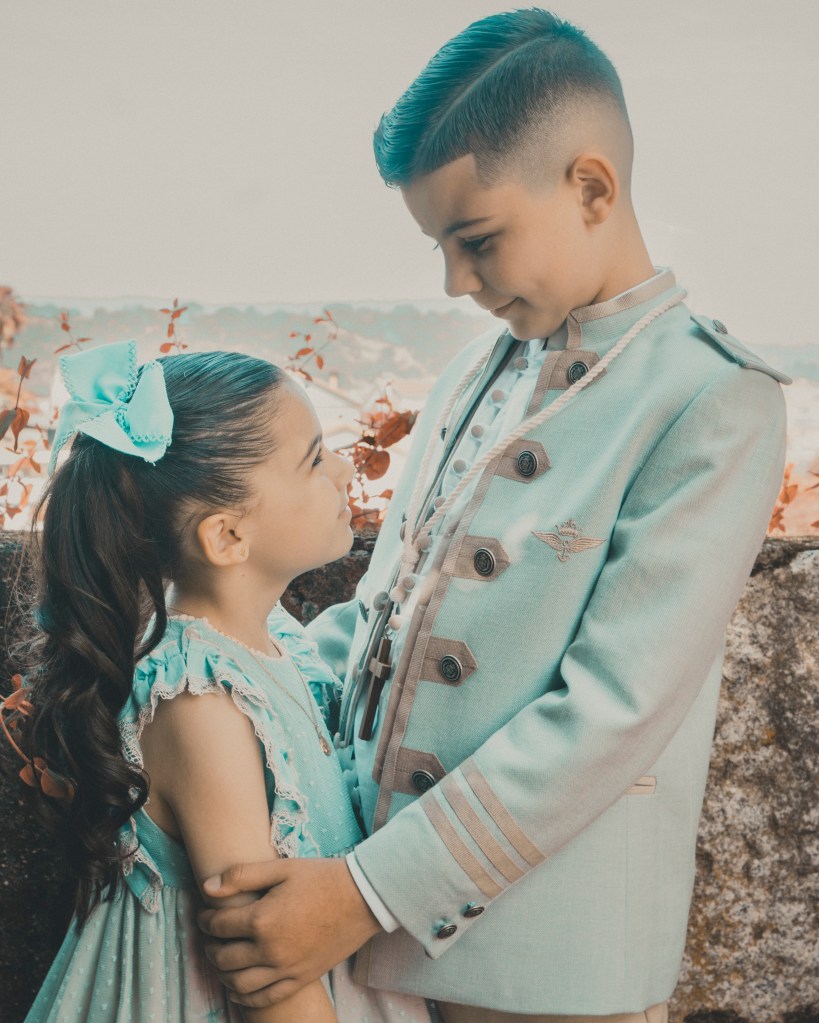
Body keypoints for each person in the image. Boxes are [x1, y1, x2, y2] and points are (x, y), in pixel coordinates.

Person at [197, 10, 791, 1023]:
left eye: (476, 241)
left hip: (552, 973)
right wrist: (211, 667)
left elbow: (609, 713)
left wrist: (365, 893)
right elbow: (380, 620)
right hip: (371, 954)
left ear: (591, 188)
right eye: (440, 246)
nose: (454, 282)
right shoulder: (473, 371)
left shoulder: (714, 398)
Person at [4, 342, 432, 1023]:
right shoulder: (198, 701)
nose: (344, 467)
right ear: (227, 536)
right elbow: (265, 970)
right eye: (313, 460)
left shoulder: (271, 638)